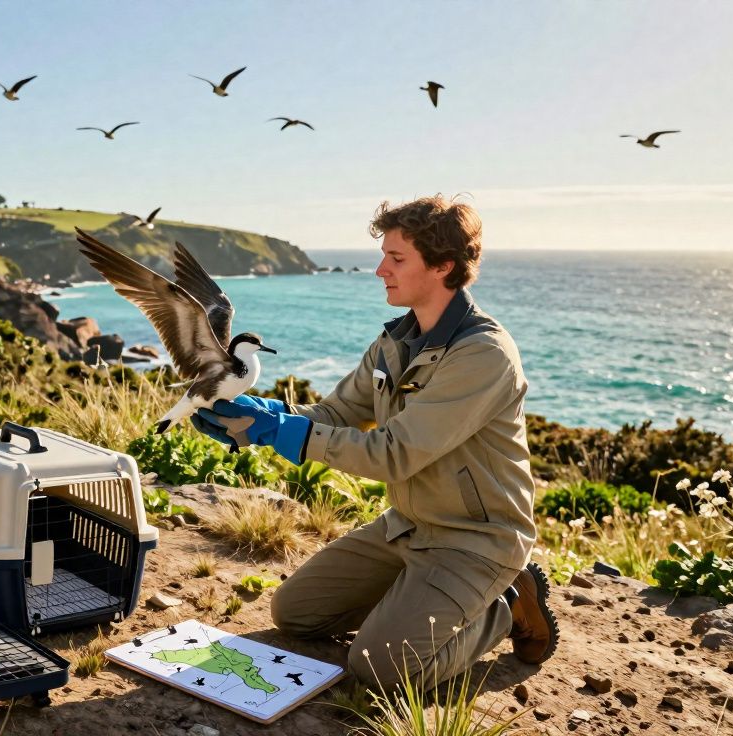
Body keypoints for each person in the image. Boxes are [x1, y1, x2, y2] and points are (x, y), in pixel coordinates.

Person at [191, 195, 557, 688]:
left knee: (379, 669)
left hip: (474, 540)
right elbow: (336, 414)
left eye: (397, 258)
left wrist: (279, 431)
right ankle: (417, 602)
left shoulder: (483, 355)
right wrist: (259, 418)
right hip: (406, 526)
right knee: (295, 613)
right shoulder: (395, 341)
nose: (381, 270)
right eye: (384, 255)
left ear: (444, 266)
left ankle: (506, 604)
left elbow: (393, 454)